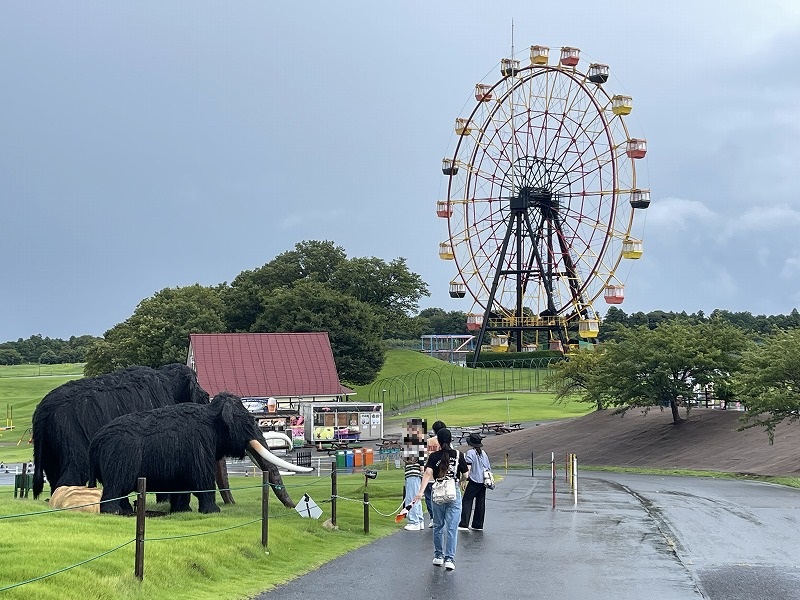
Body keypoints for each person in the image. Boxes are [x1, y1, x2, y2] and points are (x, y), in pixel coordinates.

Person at [414, 427, 468, 571]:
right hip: (453, 492)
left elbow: (427, 474)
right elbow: (466, 475)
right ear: (451, 440)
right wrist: (461, 480)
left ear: (438, 440)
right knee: (451, 527)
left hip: (437, 492)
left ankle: (438, 556)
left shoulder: (433, 457)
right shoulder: (458, 455)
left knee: (438, 526)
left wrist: (420, 492)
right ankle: (449, 559)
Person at [459, 433, 490, 531]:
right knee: (480, 502)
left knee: (467, 500)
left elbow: (468, 468)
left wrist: (463, 480)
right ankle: (478, 524)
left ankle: (464, 523)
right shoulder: (484, 453)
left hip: (474, 480)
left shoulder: (470, 453)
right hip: (483, 481)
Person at [424, 420, 446, 528]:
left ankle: (433, 518)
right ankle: (441, 517)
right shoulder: (447, 442)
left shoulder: (429, 441)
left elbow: (424, 456)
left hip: (430, 473)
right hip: (443, 474)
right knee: (442, 496)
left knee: (429, 497)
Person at [401, 455, 424, 531]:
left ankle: (414, 521)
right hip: (413, 474)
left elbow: (421, 459)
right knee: (416, 499)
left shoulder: (414, 446)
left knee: (411, 498)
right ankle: (419, 520)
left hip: (413, 474)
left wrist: (422, 470)